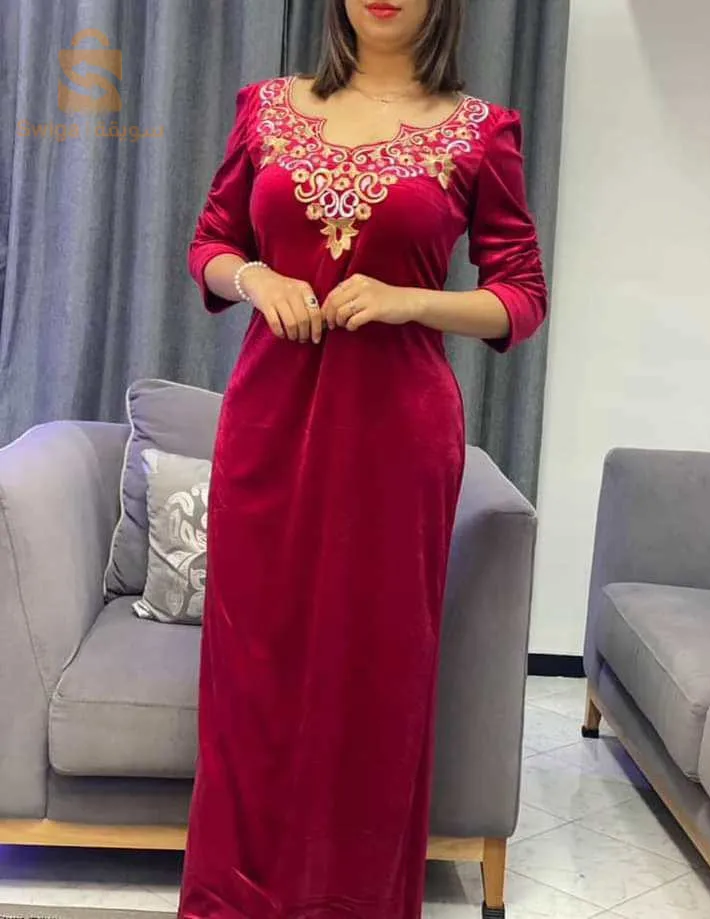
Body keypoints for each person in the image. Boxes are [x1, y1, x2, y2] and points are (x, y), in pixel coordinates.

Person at [179, 1, 547, 917]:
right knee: (251, 676)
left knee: (374, 680)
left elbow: (521, 295)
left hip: (396, 444)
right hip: (267, 431)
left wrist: (412, 300)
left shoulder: (481, 131)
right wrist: (257, 277)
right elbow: (210, 245)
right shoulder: (266, 108)